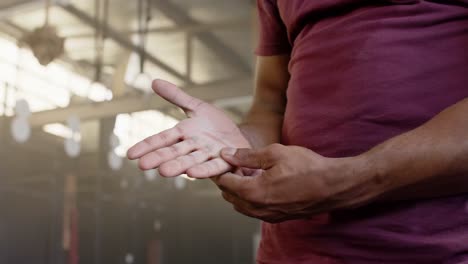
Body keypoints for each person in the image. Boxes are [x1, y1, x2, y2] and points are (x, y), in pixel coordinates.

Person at [127, 0, 468, 263]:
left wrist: (351, 178)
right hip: (293, 253)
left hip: (437, 249)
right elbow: (271, 103)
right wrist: (240, 145)